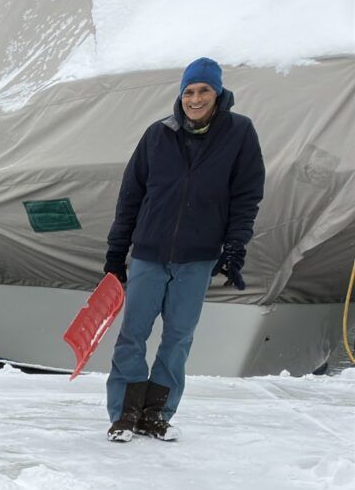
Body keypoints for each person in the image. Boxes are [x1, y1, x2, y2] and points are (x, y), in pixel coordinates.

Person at [102, 57, 264, 440]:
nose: (195, 98)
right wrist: (116, 251)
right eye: (189, 91)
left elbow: (246, 196)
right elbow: (130, 197)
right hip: (149, 253)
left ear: (218, 92)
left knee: (178, 338)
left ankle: (156, 414)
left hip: (197, 257)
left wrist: (234, 247)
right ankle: (125, 414)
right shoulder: (158, 134)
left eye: (203, 90)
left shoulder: (239, 133)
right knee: (133, 335)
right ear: (181, 94)